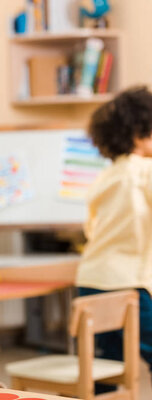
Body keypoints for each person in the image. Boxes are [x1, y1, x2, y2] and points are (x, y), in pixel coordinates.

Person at [75, 86, 152, 391]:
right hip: (129, 284)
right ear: (138, 134)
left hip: (91, 280)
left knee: (103, 367)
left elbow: (92, 229)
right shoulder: (146, 170)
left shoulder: (102, 178)